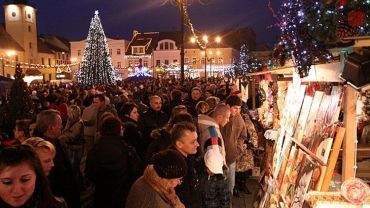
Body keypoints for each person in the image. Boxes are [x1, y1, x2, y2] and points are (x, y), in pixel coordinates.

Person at [34, 109, 80, 208]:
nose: (62, 127)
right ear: (51, 127)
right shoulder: (42, 149)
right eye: (60, 124)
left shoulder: (55, 141)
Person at [85, 116, 132, 208]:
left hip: (100, 191)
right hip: (119, 192)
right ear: (117, 129)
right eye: (121, 128)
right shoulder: (124, 148)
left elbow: (89, 170)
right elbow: (131, 170)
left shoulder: (96, 147)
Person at [0, 145, 66, 208]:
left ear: (37, 177)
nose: (17, 191)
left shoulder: (57, 205)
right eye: (7, 182)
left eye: (25, 180)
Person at [221, 95, 248, 196]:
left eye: (239, 108)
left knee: (230, 186)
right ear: (228, 106)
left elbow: (243, 135)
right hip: (219, 157)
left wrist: (238, 148)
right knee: (219, 186)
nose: (237, 111)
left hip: (231, 157)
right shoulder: (220, 115)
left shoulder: (239, 118)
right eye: (235, 108)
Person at [171, 122, 202, 208]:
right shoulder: (175, 168)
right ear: (179, 144)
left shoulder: (188, 158)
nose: (198, 144)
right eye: (193, 142)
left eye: (197, 140)